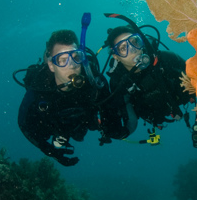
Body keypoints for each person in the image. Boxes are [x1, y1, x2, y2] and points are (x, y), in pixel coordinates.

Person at [17, 29, 131, 166]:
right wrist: (50, 151)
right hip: (53, 123)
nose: (71, 65)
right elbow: (24, 124)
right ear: (51, 66)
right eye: (62, 60)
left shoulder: (94, 81)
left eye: (76, 57)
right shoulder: (40, 88)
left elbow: (111, 114)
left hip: (83, 122)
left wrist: (112, 127)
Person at [104, 24, 194, 133]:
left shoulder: (165, 59)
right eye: (123, 48)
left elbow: (196, 74)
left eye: (134, 42)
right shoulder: (118, 83)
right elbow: (127, 118)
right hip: (155, 116)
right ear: (116, 56)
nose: (132, 50)